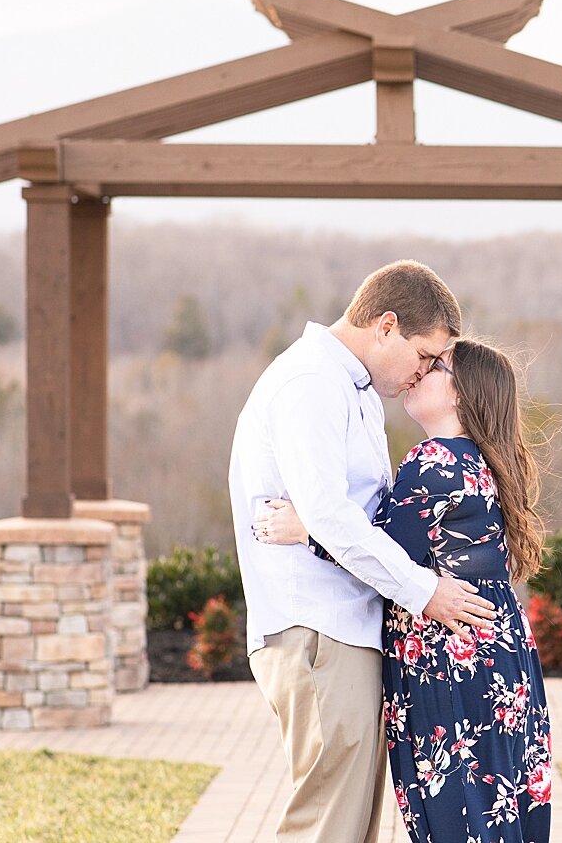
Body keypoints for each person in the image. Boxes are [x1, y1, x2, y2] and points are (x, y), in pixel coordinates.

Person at [229, 260, 498, 843]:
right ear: (386, 326)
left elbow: (355, 516)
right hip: (318, 630)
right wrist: (426, 592)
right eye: (424, 356)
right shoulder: (311, 384)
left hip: (345, 628)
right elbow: (331, 515)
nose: (424, 371)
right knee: (327, 825)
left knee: (349, 824)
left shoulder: (354, 389)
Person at [256, 337, 553, 843]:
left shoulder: (435, 461)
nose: (419, 373)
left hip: (452, 658)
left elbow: (381, 554)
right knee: (499, 805)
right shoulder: (481, 463)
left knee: (460, 816)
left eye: (435, 366)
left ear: (463, 394)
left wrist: (306, 529)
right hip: (498, 654)